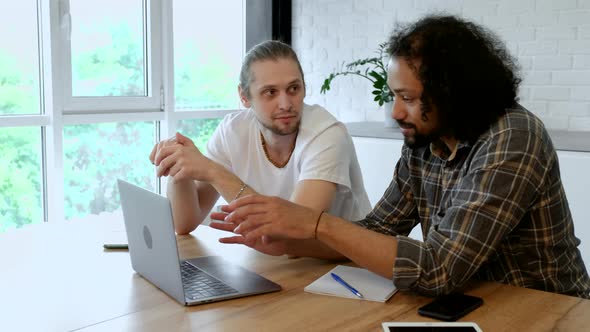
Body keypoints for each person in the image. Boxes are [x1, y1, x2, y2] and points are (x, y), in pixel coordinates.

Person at [211, 15, 590, 299]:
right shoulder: (425, 141)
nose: (394, 112)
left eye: (407, 98)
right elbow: (376, 230)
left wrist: (313, 225)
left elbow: (439, 270)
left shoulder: (513, 136)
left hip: (548, 308)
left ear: (451, 92)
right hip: (471, 303)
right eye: (395, 95)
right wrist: (289, 243)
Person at [150, 40, 371, 258]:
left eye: (293, 89)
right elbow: (184, 224)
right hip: (276, 263)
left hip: (340, 268)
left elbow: (294, 235)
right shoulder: (233, 130)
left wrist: (212, 171)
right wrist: (178, 163)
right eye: (270, 92)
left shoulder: (327, 135)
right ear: (244, 97)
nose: (285, 103)